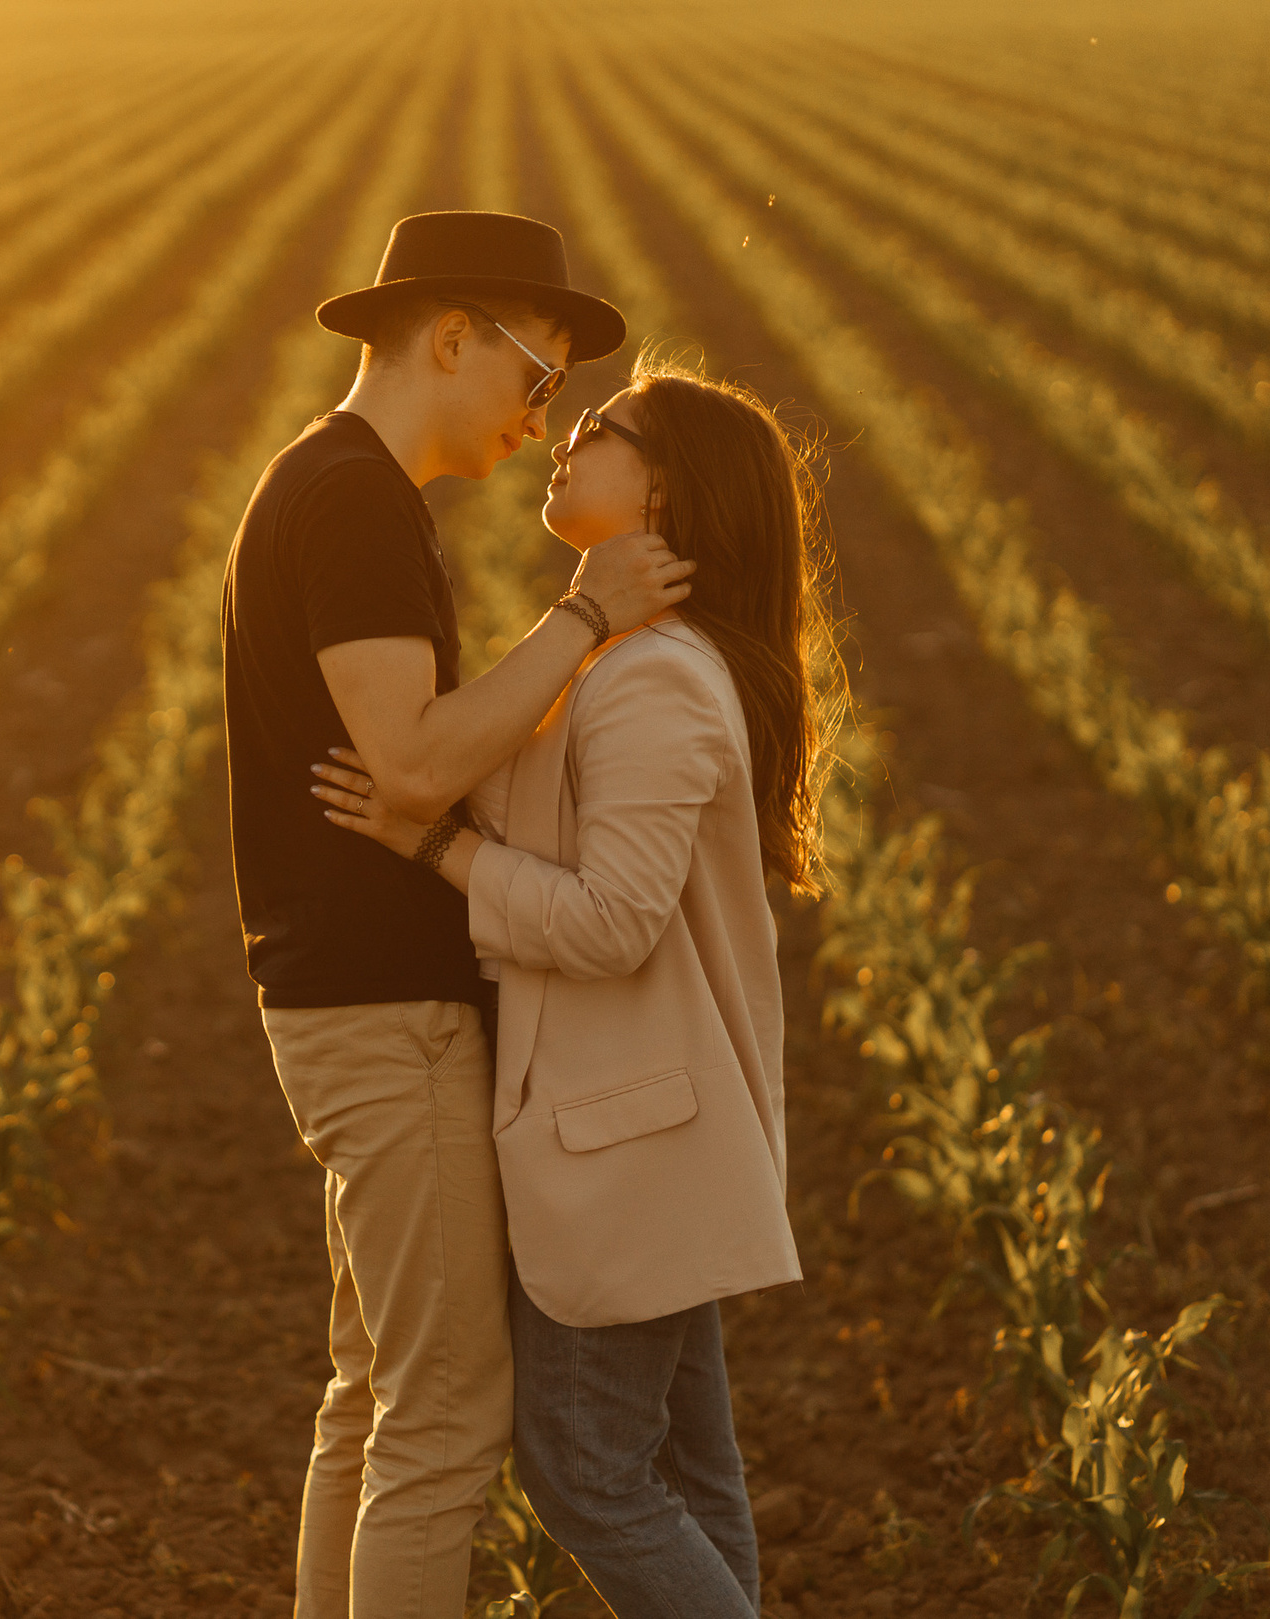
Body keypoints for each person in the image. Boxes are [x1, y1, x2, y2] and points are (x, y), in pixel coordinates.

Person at [220, 211, 692, 1619]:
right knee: (443, 1420)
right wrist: (587, 614)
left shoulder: (327, 484)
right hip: (385, 1012)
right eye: (538, 381)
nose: (539, 418)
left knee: (372, 1396)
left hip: (343, 1001)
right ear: (447, 338)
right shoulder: (354, 497)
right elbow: (411, 761)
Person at [310, 356, 829, 1617]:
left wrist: (433, 844)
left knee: (586, 1466)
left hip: (630, 1143)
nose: (567, 430)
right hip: (658, 1130)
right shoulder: (627, 659)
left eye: (604, 425)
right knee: (687, 1470)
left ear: (667, 494)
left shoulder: (653, 679)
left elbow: (607, 924)